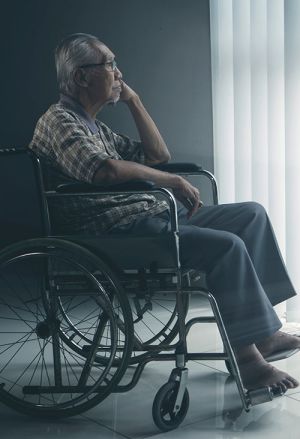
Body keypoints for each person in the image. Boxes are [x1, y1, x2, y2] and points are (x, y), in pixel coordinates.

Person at [30, 33, 300, 392]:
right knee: (227, 246)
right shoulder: (60, 121)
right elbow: (104, 171)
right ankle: (250, 362)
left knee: (251, 214)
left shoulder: (94, 125)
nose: (118, 72)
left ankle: (262, 334)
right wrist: (171, 181)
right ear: (82, 76)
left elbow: (157, 156)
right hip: (114, 231)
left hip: (149, 216)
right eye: (110, 64)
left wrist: (135, 101)